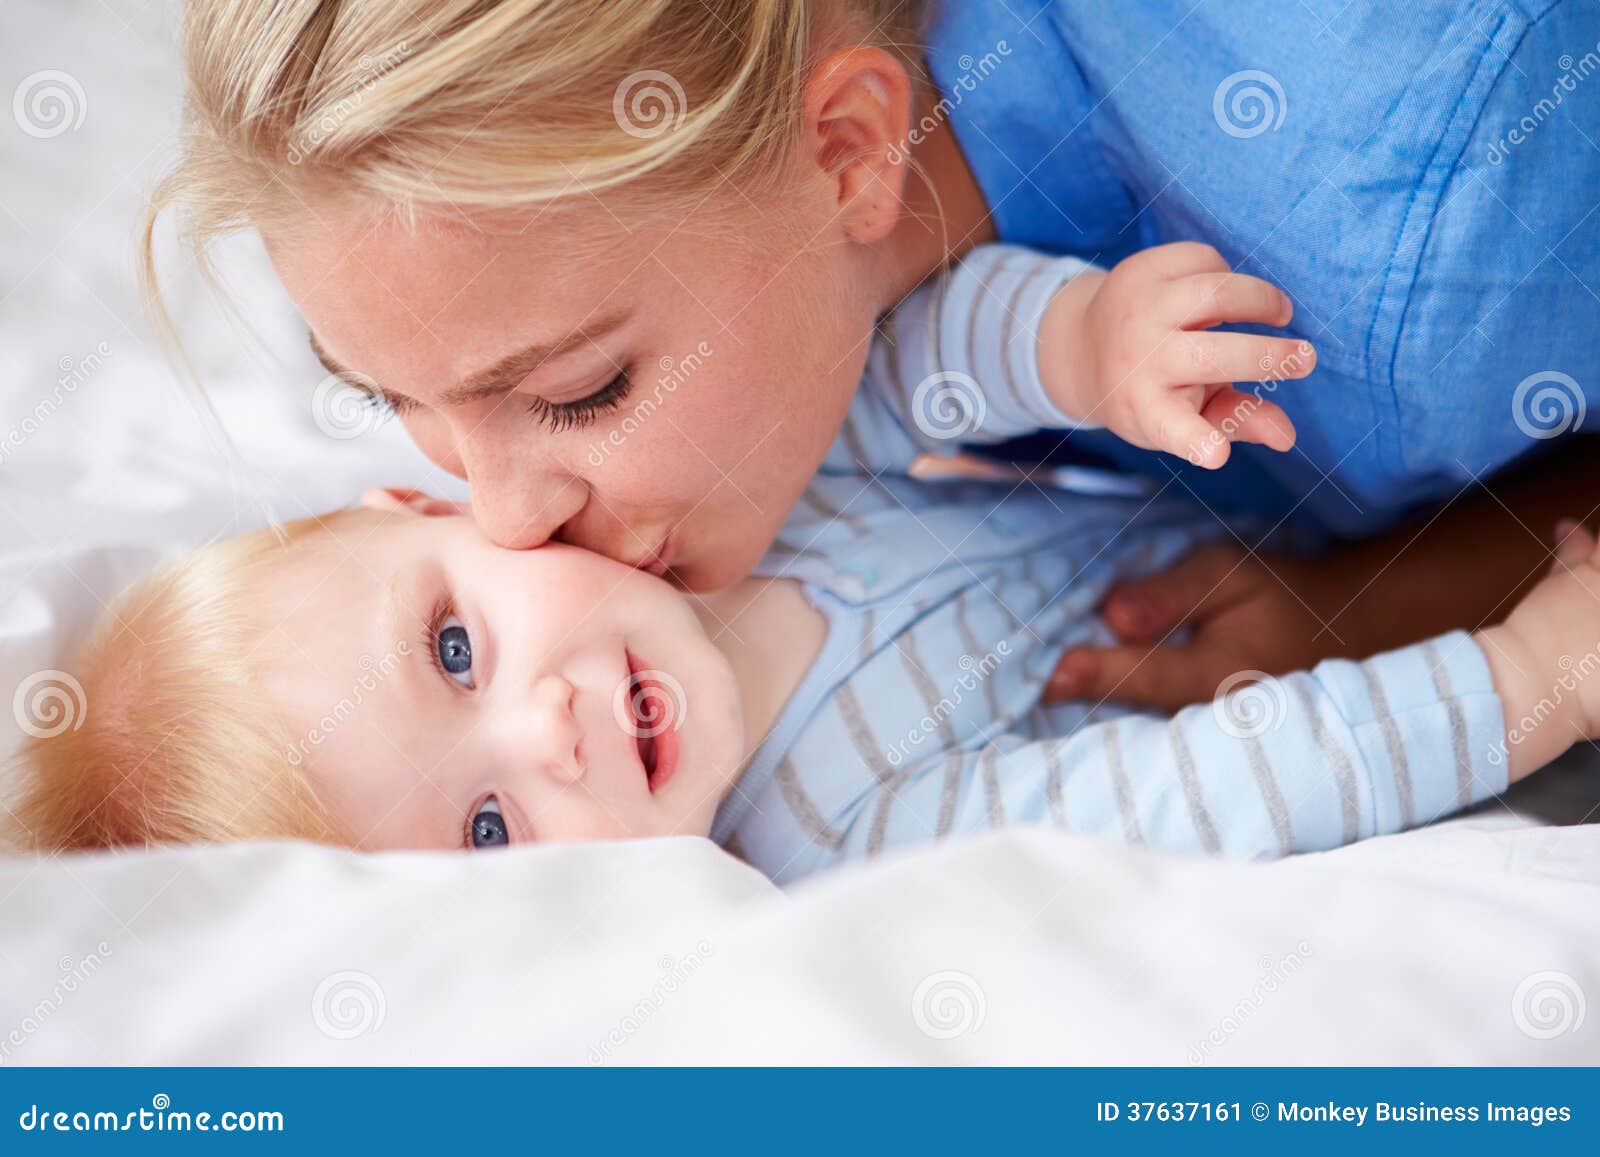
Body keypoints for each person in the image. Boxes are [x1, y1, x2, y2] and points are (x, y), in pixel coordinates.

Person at [145, 0, 1599, 715]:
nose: (505, 514)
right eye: (389, 396)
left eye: (577, 392)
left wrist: (1397, 603)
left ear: (848, 151)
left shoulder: (1434, 219)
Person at [14, 245, 1597, 879]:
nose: (549, 727)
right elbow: (1208, 793)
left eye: (453, 652)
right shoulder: (846, 825)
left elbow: (901, 363)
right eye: (490, 828)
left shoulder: (697, 528)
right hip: (1351, 610)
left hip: (1240, 440)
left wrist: (1074, 341)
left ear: (428, 514)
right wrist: (1524, 685)